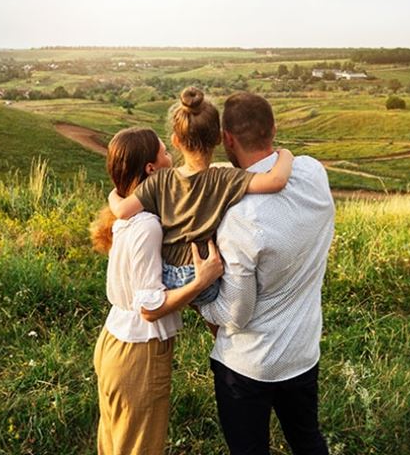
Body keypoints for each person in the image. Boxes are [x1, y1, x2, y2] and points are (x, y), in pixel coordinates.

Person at [199, 92, 335, 455]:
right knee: (307, 440)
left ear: (227, 139)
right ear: (273, 129)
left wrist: (199, 299)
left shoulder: (239, 215)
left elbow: (237, 314)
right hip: (303, 352)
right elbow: (284, 161)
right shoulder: (313, 173)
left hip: (249, 364)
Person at [90, 127, 225, 455]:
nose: (171, 158)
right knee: (140, 447)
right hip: (140, 354)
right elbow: (150, 307)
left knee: (114, 442)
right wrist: (201, 281)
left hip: (113, 342)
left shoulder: (126, 212)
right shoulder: (148, 225)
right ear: (151, 168)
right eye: (165, 153)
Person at [107, 86, 294, 308]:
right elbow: (276, 181)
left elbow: (121, 211)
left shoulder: (161, 179)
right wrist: (286, 154)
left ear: (176, 140)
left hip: (166, 275)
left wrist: (113, 194)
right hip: (203, 277)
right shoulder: (224, 178)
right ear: (218, 138)